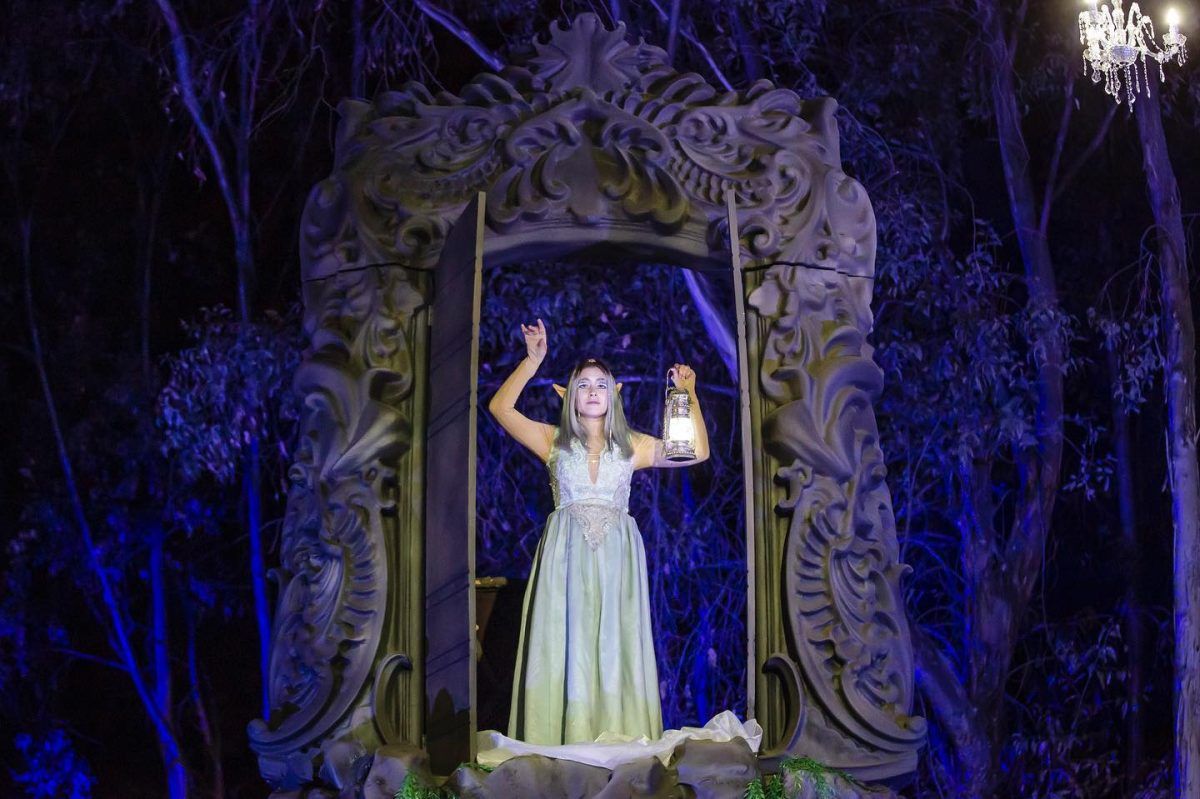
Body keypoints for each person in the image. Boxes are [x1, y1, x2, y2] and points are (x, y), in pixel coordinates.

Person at [487, 317, 710, 746]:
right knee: (565, 642)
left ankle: (617, 736)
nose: (592, 391)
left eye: (601, 384)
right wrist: (532, 361)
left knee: (612, 645)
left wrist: (686, 395)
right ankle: (558, 738)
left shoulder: (632, 446)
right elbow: (501, 409)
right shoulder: (552, 440)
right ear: (568, 395)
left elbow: (695, 451)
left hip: (616, 561)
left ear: (615, 394)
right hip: (564, 561)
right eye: (583, 385)